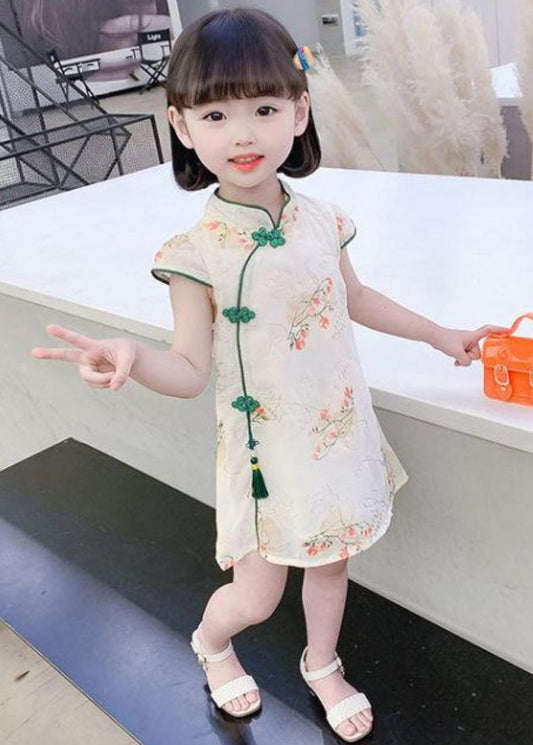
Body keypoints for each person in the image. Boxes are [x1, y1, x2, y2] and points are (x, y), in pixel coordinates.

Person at [30, 7, 510, 742]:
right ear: (182, 127)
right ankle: (211, 642)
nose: (243, 134)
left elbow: (355, 298)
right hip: (266, 460)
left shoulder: (324, 218)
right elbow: (189, 368)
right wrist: (132, 356)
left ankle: (322, 663)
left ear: (299, 111)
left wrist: (440, 334)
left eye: (263, 108)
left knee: (332, 565)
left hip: (336, 435)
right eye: (215, 115)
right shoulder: (193, 253)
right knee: (256, 595)